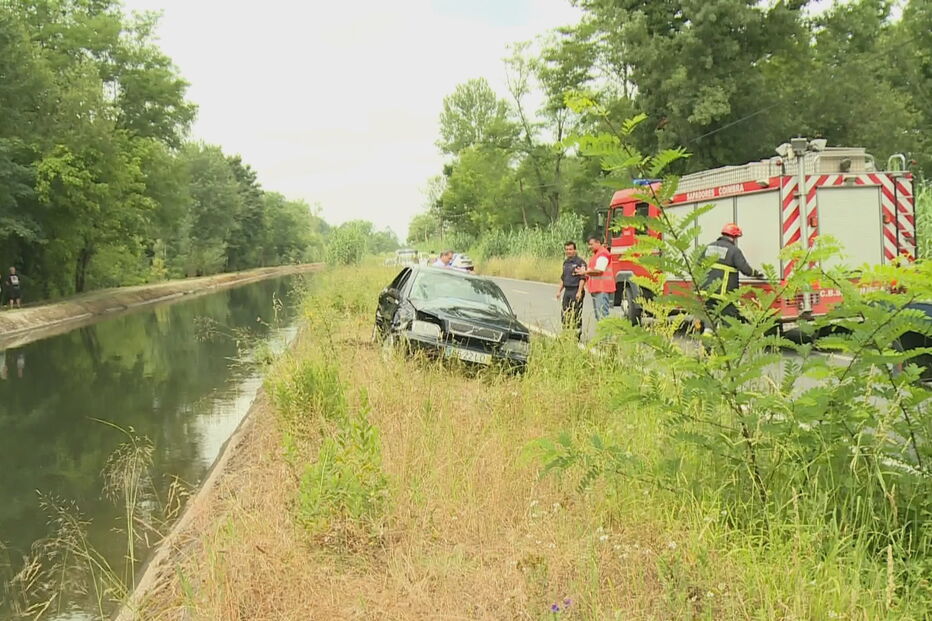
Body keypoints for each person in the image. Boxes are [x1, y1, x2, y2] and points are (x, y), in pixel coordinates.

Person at [701, 223, 764, 322]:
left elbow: (698, 265)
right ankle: (726, 337)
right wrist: (756, 273)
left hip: (708, 291)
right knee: (729, 320)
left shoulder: (708, 247)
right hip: (725, 294)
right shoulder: (734, 251)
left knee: (710, 318)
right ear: (734, 237)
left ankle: (707, 334)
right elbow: (745, 269)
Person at [574, 235, 616, 321]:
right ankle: (603, 334)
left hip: (602, 289)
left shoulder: (603, 254)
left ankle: (606, 335)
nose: (589, 247)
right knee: (599, 316)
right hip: (597, 289)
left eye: (591, 244)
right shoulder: (596, 254)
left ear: (598, 242)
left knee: (602, 317)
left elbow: (599, 270)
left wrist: (585, 272)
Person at [556, 241, 587, 339]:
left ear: (575, 250)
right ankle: (565, 334)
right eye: (566, 249)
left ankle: (576, 335)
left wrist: (579, 291)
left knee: (576, 313)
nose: (568, 251)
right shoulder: (566, 263)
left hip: (576, 290)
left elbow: (583, 278)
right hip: (567, 291)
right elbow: (563, 278)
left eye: (570, 249)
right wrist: (559, 291)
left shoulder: (580, 262)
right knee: (565, 313)